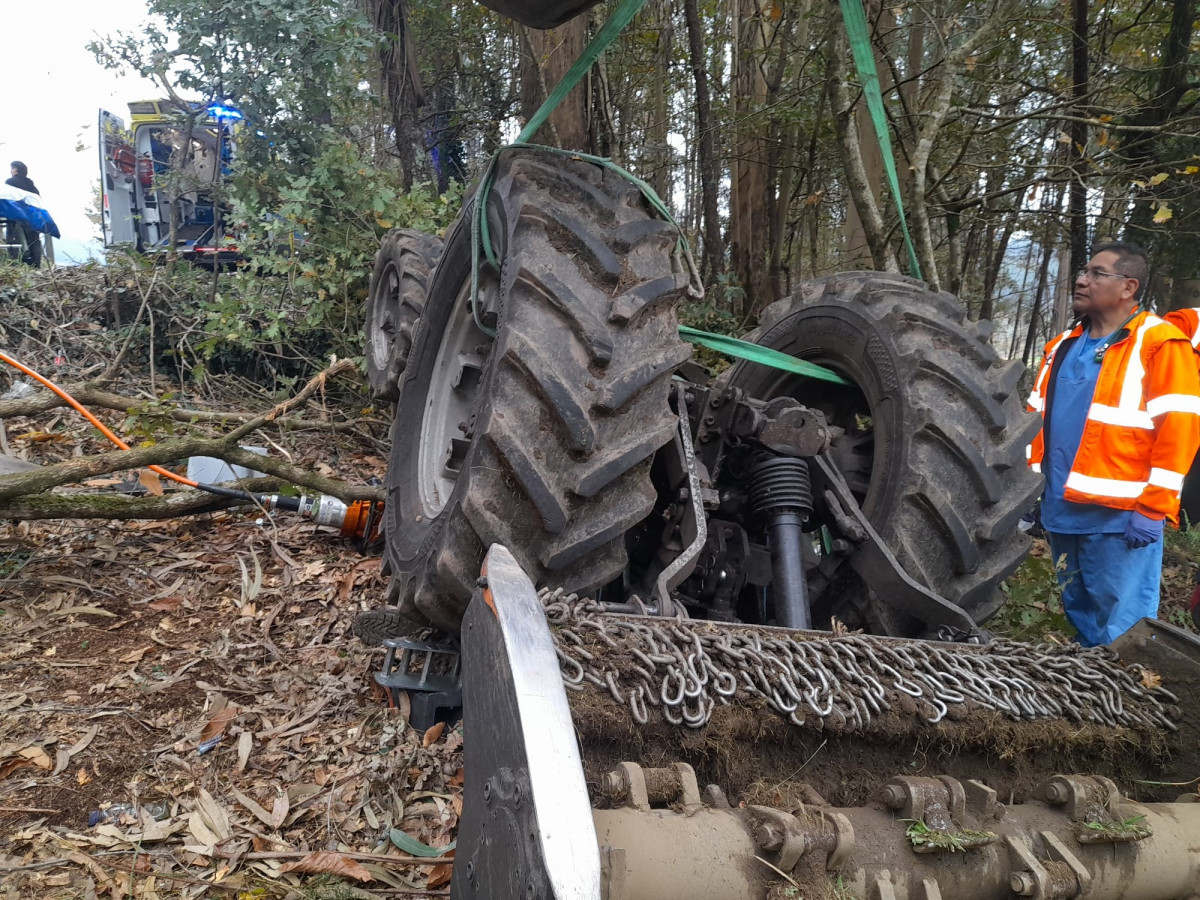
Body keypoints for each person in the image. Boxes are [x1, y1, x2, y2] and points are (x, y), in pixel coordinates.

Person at [1026, 242, 1200, 645]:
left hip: (1121, 519)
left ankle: (1130, 701)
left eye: (1097, 273)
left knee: (1125, 627)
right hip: (1061, 509)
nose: (1082, 280)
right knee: (1081, 613)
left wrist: (1154, 508)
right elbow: (1036, 424)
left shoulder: (1159, 343)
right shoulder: (1062, 346)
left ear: (1128, 287)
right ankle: (1091, 693)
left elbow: (1180, 430)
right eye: (1083, 271)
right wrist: (1029, 494)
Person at [4, 161, 42, 267]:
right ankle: (36, 265)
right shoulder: (33, 187)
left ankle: (15, 264)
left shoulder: (10, 182)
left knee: (14, 240)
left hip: (16, 217)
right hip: (33, 216)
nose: (11, 171)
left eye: (11, 169)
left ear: (15, 170)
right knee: (34, 240)